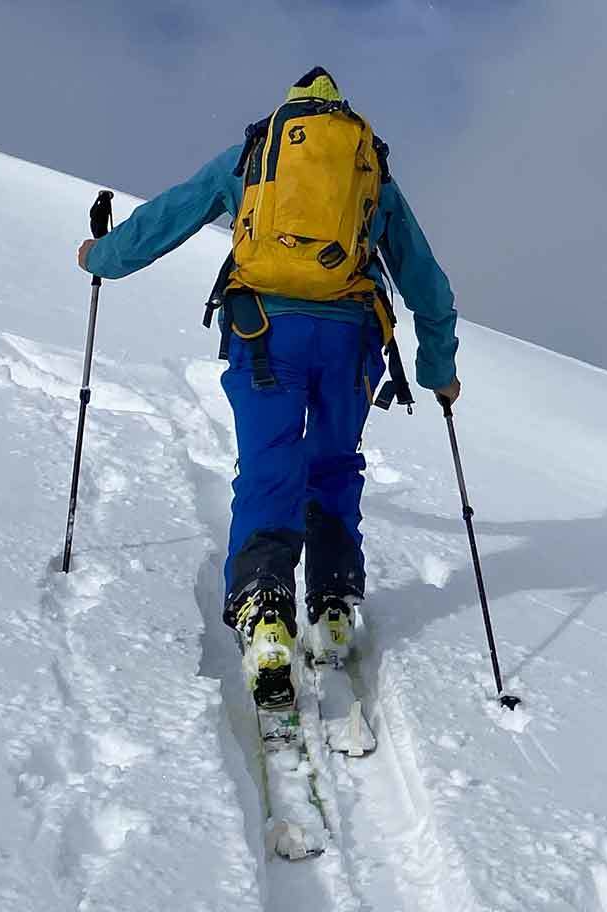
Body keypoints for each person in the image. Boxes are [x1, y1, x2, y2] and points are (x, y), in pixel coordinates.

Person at [77, 68, 460, 711]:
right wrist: (439, 371)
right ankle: (333, 602)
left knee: (268, 465)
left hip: (264, 333)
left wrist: (101, 256)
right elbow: (428, 285)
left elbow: (169, 217)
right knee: (335, 461)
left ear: (289, 111)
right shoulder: (370, 170)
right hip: (351, 340)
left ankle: (264, 609)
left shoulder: (254, 155)